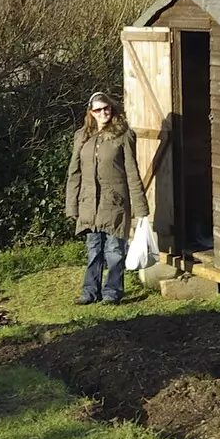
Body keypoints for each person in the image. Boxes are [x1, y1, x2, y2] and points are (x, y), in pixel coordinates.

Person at [64, 91, 148, 305]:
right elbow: (74, 172)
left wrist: (141, 209)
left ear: (111, 108)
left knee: (114, 251)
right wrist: (71, 206)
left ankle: (112, 292)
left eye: (106, 108)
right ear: (90, 112)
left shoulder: (123, 135)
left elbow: (132, 172)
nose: (103, 113)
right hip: (89, 203)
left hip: (114, 202)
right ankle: (89, 292)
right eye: (98, 109)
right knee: (93, 249)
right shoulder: (82, 136)